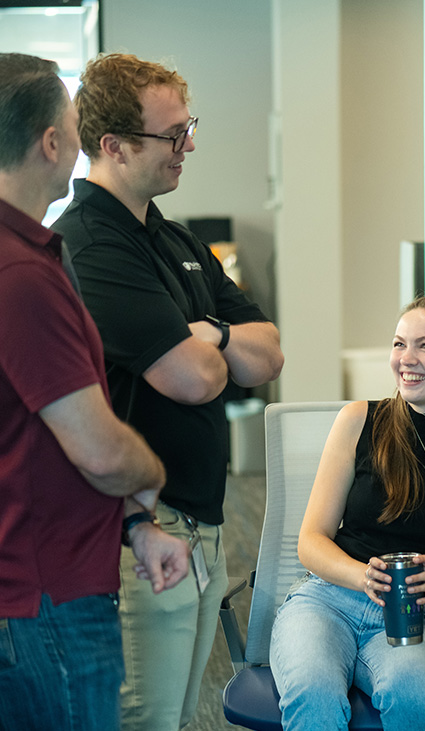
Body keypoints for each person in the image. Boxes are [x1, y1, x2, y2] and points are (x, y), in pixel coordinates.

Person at [52, 52, 284, 731]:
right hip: (144, 531)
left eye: (189, 126)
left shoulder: (175, 236)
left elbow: (267, 352)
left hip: (202, 522)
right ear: (114, 146)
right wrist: (217, 347)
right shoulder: (91, 246)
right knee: (145, 719)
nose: (190, 145)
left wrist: (205, 331)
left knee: (179, 716)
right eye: (172, 134)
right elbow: (194, 379)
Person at [0, 52, 189, 731]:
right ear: (52, 142)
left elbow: (34, 432)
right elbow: (100, 450)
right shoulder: (20, 271)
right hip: (46, 600)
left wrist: (136, 524)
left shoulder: (32, 255)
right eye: (74, 125)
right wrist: (153, 475)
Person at [270, 293, 425, 731]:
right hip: (329, 600)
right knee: (313, 691)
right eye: (400, 343)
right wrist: (360, 575)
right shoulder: (359, 420)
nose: (407, 359)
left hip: (420, 614)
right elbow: (311, 541)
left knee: (414, 695)